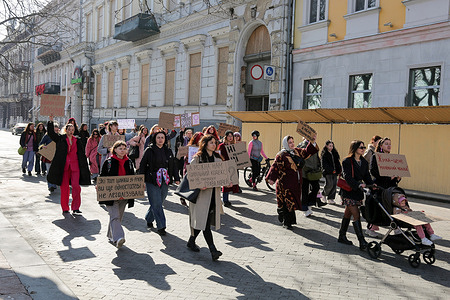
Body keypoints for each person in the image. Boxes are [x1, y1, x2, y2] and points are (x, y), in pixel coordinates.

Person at [186, 134, 226, 261]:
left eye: (215, 142)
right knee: (205, 223)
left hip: (212, 196)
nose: (214, 145)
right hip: (200, 197)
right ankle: (213, 250)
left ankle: (191, 241)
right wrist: (199, 185)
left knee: (203, 221)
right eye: (211, 142)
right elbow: (190, 176)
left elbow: (222, 176)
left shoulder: (218, 159)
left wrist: (227, 181)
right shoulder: (197, 159)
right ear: (205, 144)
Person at [266, 135, 319, 229]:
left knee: (292, 202)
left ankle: (285, 217)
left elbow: (307, 152)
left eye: (293, 142)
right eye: (290, 142)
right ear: (286, 144)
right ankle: (287, 223)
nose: (292, 144)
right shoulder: (281, 155)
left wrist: (312, 142)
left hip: (296, 183)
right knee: (287, 202)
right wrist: (271, 179)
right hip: (285, 184)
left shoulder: (297, 151)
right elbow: (275, 167)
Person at [47, 116, 91, 214]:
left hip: (75, 166)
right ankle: (65, 208)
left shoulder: (77, 140)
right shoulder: (61, 139)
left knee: (76, 187)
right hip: (64, 166)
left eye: (72, 129)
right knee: (65, 188)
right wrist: (50, 121)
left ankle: (76, 207)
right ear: (66, 130)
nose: (71, 131)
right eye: (69, 129)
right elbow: (51, 134)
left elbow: (82, 153)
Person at [140, 130, 180, 235]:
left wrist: (176, 178)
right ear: (154, 139)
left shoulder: (168, 150)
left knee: (159, 200)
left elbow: (174, 165)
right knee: (157, 203)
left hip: (165, 179)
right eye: (158, 137)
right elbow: (143, 165)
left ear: (165, 139)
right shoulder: (149, 150)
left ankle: (149, 218)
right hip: (151, 179)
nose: (160, 139)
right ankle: (161, 226)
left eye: (162, 137)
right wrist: (141, 180)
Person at [338, 140, 375, 250]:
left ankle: (341, 235)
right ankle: (362, 241)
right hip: (348, 191)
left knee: (348, 213)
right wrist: (358, 185)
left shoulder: (364, 162)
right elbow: (347, 177)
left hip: (357, 192)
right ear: (355, 149)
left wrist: (372, 184)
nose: (363, 149)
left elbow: (367, 176)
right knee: (356, 214)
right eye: (361, 147)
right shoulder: (347, 161)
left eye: (363, 147)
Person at [100, 140, 135, 248]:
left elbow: (133, 178)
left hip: (124, 196)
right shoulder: (109, 162)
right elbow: (102, 176)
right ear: (114, 150)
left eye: (124, 148)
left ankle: (111, 235)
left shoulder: (129, 162)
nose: (122, 150)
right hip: (111, 195)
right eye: (120, 148)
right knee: (114, 215)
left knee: (118, 217)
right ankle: (119, 238)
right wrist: (100, 185)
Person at [367, 137, 402, 237]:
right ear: (381, 146)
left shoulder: (392, 158)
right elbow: (373, 171)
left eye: (390, 144)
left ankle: (396, 227)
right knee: (379, 208)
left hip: (391, 187)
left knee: (394, 206)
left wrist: (397, 178)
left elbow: (394, 174)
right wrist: (388, 178)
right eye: (386, 144)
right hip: (380, 187)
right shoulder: (375, 156)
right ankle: (371, 228)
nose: (389, 145)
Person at [299, 138, 326, 216]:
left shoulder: (315, 145)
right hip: (305, 171)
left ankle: (309, 203)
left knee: (316, 187)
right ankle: (305, 208)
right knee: (304, 190)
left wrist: (318, 165)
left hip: (313, 171)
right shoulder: (302, 145)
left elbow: (316, 157)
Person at [218, 130, 240, 207]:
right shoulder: (222, 146)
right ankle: (225, 200)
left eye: (231, 136)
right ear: (226, 137)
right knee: (226, 183)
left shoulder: (235, 145)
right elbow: (219, 155)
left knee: (232, 182)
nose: (230, 137)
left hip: (233, 166)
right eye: (229, 136)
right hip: (225, 165)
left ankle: (227, 199)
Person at [39, 123, 59, 192]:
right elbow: (40, 144)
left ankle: (54, 184)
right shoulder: (47, 136)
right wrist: (42, 146)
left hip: (56, 156)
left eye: (57, 130)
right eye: (54, 131)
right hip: (49, 156)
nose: (56, 132)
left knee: (55, 172)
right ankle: (50, 185)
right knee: (49, 171)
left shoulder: (59, 136)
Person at [320, 140, 342, 204]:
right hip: (328, 172)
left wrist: (339, 170)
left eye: (332, 146)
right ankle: (323, 194)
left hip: (335, 172)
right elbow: (324, 164)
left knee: (334, 185)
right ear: (326, 146)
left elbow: (337, 162)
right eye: (330, 146)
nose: (331, 147)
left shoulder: (334, 153)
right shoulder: (324, 154)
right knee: (329, 184)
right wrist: (330, 170)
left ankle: (331, 198)